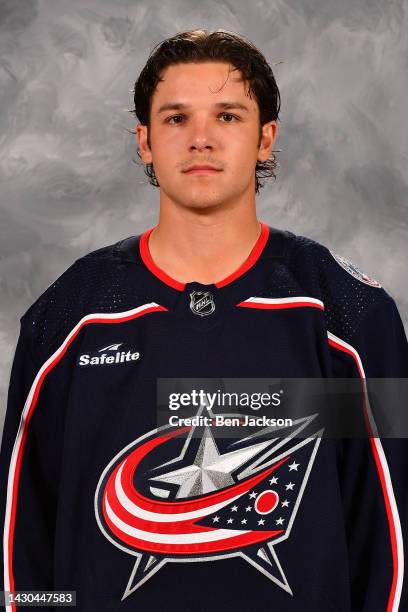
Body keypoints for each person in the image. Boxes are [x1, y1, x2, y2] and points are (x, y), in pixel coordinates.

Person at [0, 28, 407, 612]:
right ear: (144, 141)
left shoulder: (349, 316)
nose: (200, 140)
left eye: (228, 116)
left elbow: (393, 538)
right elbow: (22, 539)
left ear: (266, 138)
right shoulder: (69, 318)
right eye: (175, 119)